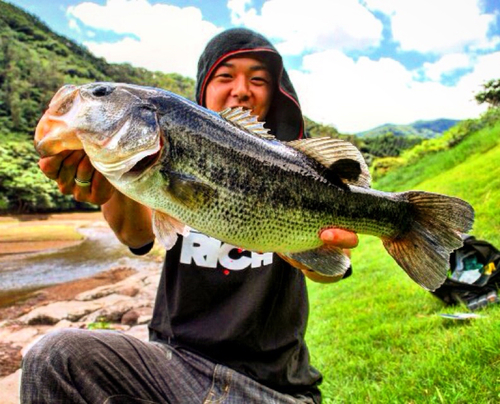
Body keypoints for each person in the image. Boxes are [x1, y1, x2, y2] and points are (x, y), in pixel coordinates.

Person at [22, 28, 358, 403]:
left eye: (259, 79)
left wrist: (318, 257)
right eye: (225, 75)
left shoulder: (299, 168)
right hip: (174, 369)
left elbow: (333, 267)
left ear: (278, 93)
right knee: (52, 357)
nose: (242, 89)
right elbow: (137, 235)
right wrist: (106, 180)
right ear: (203, 89)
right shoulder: (160, 156)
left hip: (272, 387)